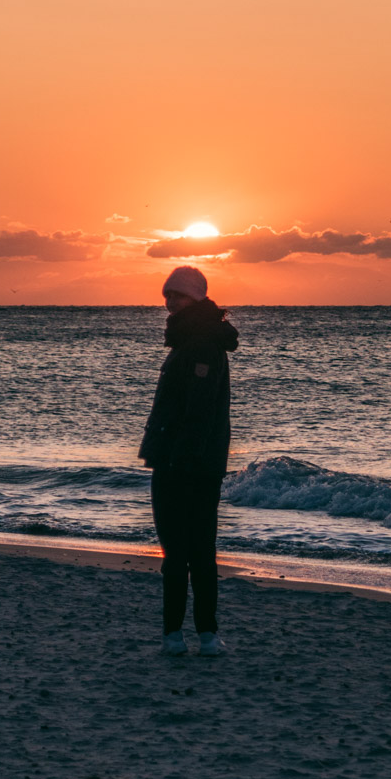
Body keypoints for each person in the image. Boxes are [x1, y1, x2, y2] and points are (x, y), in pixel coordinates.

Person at [139, 266, 239, 656]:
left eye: (178, 295)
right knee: (190, 550)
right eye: (167, 295)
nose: (170, 302)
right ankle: (192, 635)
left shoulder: (199, 344)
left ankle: (190, 635)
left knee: (185, 551)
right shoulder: (191, 339)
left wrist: (179, 460)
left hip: (185, 465)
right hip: (188, 461)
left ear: (196, 298)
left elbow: (198, 413)